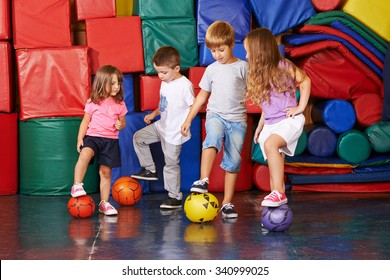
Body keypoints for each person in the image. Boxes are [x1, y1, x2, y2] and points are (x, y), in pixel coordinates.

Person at [181, 21, 248, 219]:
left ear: (232, 44)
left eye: (221, 49)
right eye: (213, 51)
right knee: (212, 138)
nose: (217, 54)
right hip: (215, 115)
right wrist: (188, 119)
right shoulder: (211, 69)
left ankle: (227, 203)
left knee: (233, 161)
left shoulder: (243, 67)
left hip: (237, 120)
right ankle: (203, 180)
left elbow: (256, 90)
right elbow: (201, 97)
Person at [244, 28, 311, 207]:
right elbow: (268, 107)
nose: (247, 56)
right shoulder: (259, 74)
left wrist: (300, 107)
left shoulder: (283, 66)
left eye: (248, 52)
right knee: (275, 173)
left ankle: (279, 194)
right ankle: (279, 203)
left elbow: (305, 81)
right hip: (271, 124)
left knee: (271, 145)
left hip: (289, 121)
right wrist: (259, 127)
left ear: (259, 52)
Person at [131, 46, 195, 209]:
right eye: (158, 72)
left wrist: (187, 122)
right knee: (139, 138)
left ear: (177, 69)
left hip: (174, 133)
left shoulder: (184, 85)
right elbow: (164, 104)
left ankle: (175, 197)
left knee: (171, 164)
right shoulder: (165, 82)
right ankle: (150, 169)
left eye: (164, 72)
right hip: (161, 126)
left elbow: (193, 106)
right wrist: (153, 114)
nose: (160, 76)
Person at [71, 65, 128, 216]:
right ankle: (77, 185)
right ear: (103, 83)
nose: (117, 87)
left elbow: (123, 122)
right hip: (93, 137)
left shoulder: (120, 103)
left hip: (110, 141)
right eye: (113, 83)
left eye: (119, 83)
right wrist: (79, 138)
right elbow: (85, 121)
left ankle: (104, 203)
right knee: (85, 154)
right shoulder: (93, 102)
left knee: (106, 172)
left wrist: (121, 124)